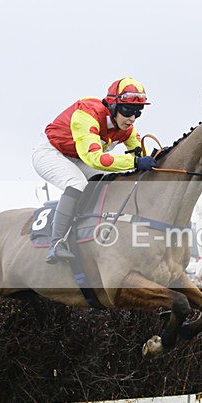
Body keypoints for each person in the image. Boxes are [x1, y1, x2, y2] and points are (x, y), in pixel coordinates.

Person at [32, 77, 157, 264]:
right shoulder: (87, 114)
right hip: (51, 152)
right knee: (77, 183)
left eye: (138, 113)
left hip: (78, 157)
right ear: (113, 105)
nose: (132, 118)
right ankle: (57, 243)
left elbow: (139, 155)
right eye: (128, 111)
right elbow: (96, 159)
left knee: (112, 181)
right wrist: (136, 162)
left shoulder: (127, 128)